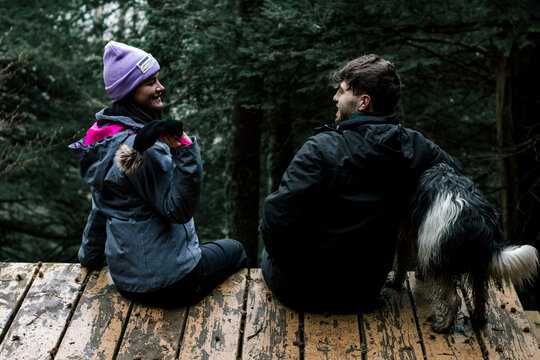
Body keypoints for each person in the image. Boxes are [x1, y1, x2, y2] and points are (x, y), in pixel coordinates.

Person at [259, 54, 464, 312]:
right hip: (366, 291)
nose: (335, 97)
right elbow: (454, 173)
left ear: (363, 102)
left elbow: (275, 224)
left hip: (303, 291)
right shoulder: (412, 145)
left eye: (342, 91)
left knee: (268, 253)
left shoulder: (320, 148)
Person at [69, 41, 247, 307]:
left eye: (158, 79)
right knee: (236, 250)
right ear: (130, 90)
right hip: (172, 283)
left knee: (212, 249)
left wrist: (89, 256)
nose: (160, 87)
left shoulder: (103, 139)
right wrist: (185, 147)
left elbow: (101, 206)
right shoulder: (146, 148)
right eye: (150, 82)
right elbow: (178, 210)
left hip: (126, 281)